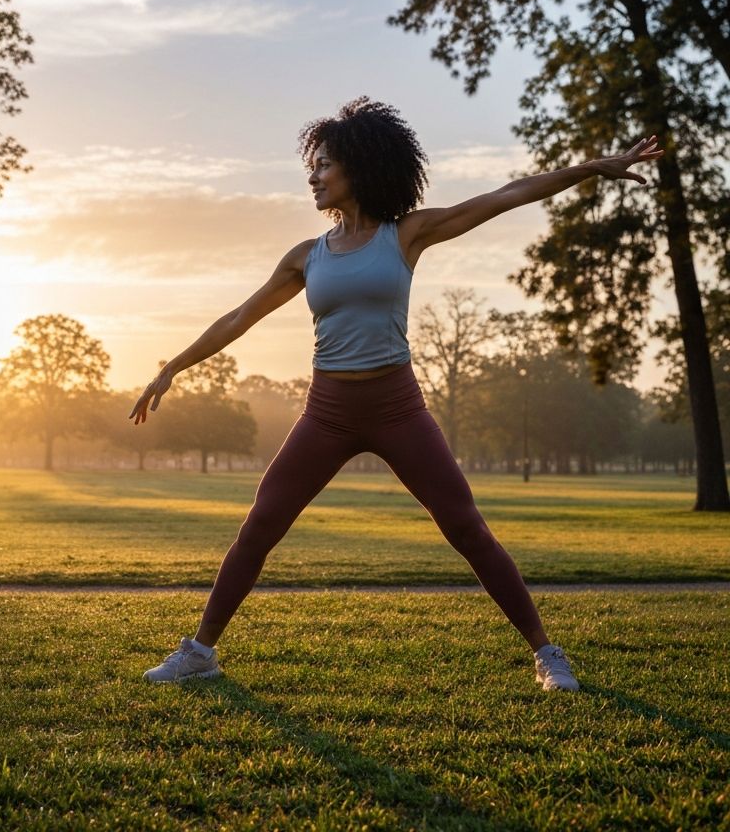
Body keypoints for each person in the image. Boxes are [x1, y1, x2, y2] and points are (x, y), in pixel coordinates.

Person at [129, 97, 662, 691]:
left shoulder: (405, 234)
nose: (313, 176)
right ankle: (200, 651)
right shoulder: (307, 257)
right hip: (327, 413)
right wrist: (171, 367)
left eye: (324, 165)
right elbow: (239, 317)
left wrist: (591, 168)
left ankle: (546, 652)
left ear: (358, 167)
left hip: (396, 408)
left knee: (465, 527)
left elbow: (508, 194)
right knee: (260, 524)